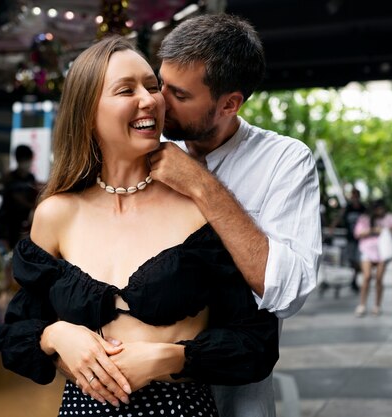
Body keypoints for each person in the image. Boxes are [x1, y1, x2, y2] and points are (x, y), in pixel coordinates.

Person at [0, 35, 280, 416]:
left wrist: (167, 358)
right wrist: (56, 335)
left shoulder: (198, 209)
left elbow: (255, 344)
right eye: (126, 90)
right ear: (87, 111)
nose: (149, 100)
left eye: (152, 86)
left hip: (178, 408)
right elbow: (16, 333)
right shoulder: (56, 213)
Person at [146, 13, 322, 417]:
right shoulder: (140, 147)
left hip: (237, 398)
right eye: (161, 86)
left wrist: (201, 185)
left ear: (229, 104)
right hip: (143, 391)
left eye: (181, 96)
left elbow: (288, 291)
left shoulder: (285, 160)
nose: (159, 103)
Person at [353, 199, 392, 317]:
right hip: (367, 250)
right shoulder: (365, 219)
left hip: (383, 252)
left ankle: (377, 305)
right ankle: (362, 304)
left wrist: (389, 229)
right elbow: (357, 233)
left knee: (379, 279)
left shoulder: (388, 218)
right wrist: (372, 230)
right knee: (366, 277)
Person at [0, 144, 39, 249]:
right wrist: (32, 206)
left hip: (24, 222)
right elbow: (16, 197)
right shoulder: (10, 177)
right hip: (8, 222)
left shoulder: (30, 177)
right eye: (23, 159)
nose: (26, 163)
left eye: (28, 159)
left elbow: (34, 192)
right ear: (18, 160)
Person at [329, 188, 367, 292]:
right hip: (350, 239)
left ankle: (355, 279)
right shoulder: (348, 208)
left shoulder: (363, 208)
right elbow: (339, 217)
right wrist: (332, 227)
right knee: (351, 260)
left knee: (359, 260)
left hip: (362, 239)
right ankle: (354, 279)